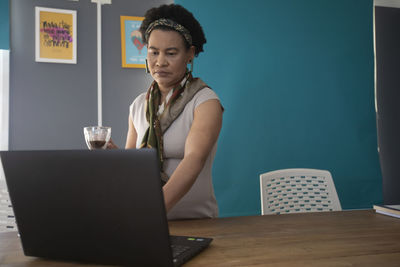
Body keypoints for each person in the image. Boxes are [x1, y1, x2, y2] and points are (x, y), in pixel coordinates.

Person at [110, 4, 223, 220]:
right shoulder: (138, 105)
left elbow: (194, 160)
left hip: (195, 223)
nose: (160, 62)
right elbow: (132, 168)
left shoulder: (206, 102)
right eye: (154, 52)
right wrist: (113, 157)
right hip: (145, 221)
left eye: (171, 53)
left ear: (190, 54)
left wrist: (152, 212)